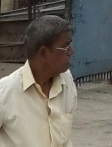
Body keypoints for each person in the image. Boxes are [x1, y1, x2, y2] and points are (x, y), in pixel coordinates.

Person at [0, 15, 76, 145]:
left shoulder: (66, 81)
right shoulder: (5, 93)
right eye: (66, 47)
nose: (71, 52)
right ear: (44, 53)